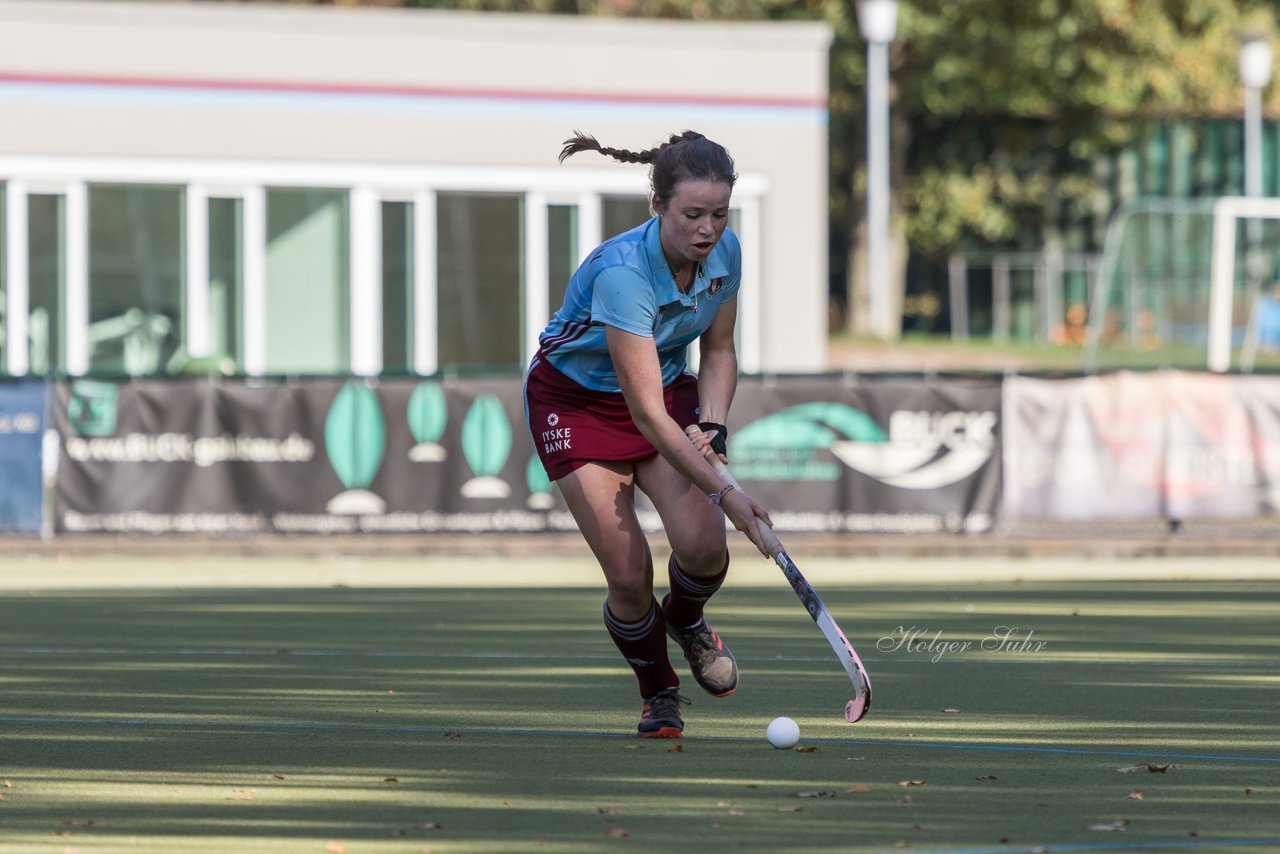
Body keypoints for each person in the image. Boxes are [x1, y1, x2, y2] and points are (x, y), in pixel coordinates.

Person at [524, 129, 773, 738]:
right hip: (578, 405)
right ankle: (659, 689)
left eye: (719, 213)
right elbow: (648, 419)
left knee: (704, 548)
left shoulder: (726, 253)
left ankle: (686, 618)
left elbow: (717, 350)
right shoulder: (623, 275)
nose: (707, 230)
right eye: (692, 214)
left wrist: (712, 425)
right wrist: (729, 493)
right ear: (657, 206)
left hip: (663, 388)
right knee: (629, 572)